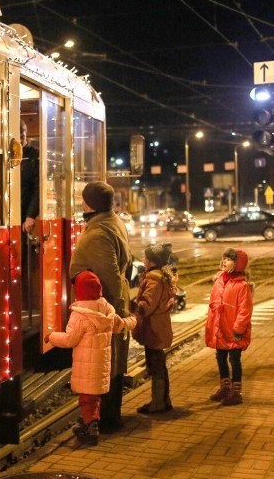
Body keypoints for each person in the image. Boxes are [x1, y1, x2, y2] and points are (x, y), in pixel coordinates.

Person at [44, 270, 135, 446]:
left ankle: (90, 428)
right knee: (94, 398)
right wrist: (134, 320)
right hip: (101, 366)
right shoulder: (107, 309)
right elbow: (120, 325)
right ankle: (91, 422)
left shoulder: (79, 314)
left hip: (86, 367)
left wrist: (51, 337)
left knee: (86, 400)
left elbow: (70, 339)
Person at [68, 181, 132, 432]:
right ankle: (107, 417)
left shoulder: (97, 234)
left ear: (88, 203)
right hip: (107, 306)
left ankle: (106, 420)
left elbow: (111, 275)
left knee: (106, 363)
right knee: (109, 362)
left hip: (104, 308)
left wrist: (114, 316)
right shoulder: (112, 220)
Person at [132, 242, 177, 414]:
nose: (143, 260)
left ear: (152, 261)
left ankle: (158, 403)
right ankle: (164, 400)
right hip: (159, 327)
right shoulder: (161, 275)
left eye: (146, 258)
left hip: (153, 329)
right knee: (160, 365)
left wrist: (134, 306)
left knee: (155, 366)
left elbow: (147, 305)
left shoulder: (153, 278)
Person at [205, 248, 253, 406]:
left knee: (234, 359)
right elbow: (213, 302)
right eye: (224, 258)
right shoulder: (219, 281)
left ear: (238, 264)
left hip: (233, 330)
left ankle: (236, 392)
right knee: (220, 357)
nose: (224, 261)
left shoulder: (242, 286)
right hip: (220, 328)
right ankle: (225, 387)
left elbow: (244, 310)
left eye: (229, 259)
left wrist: (238, 329)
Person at [20, 120, 39, 235]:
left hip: (25, 210)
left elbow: (38, 188)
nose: (20, 140)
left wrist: (30, 215)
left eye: (22, 137)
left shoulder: (34, 155)